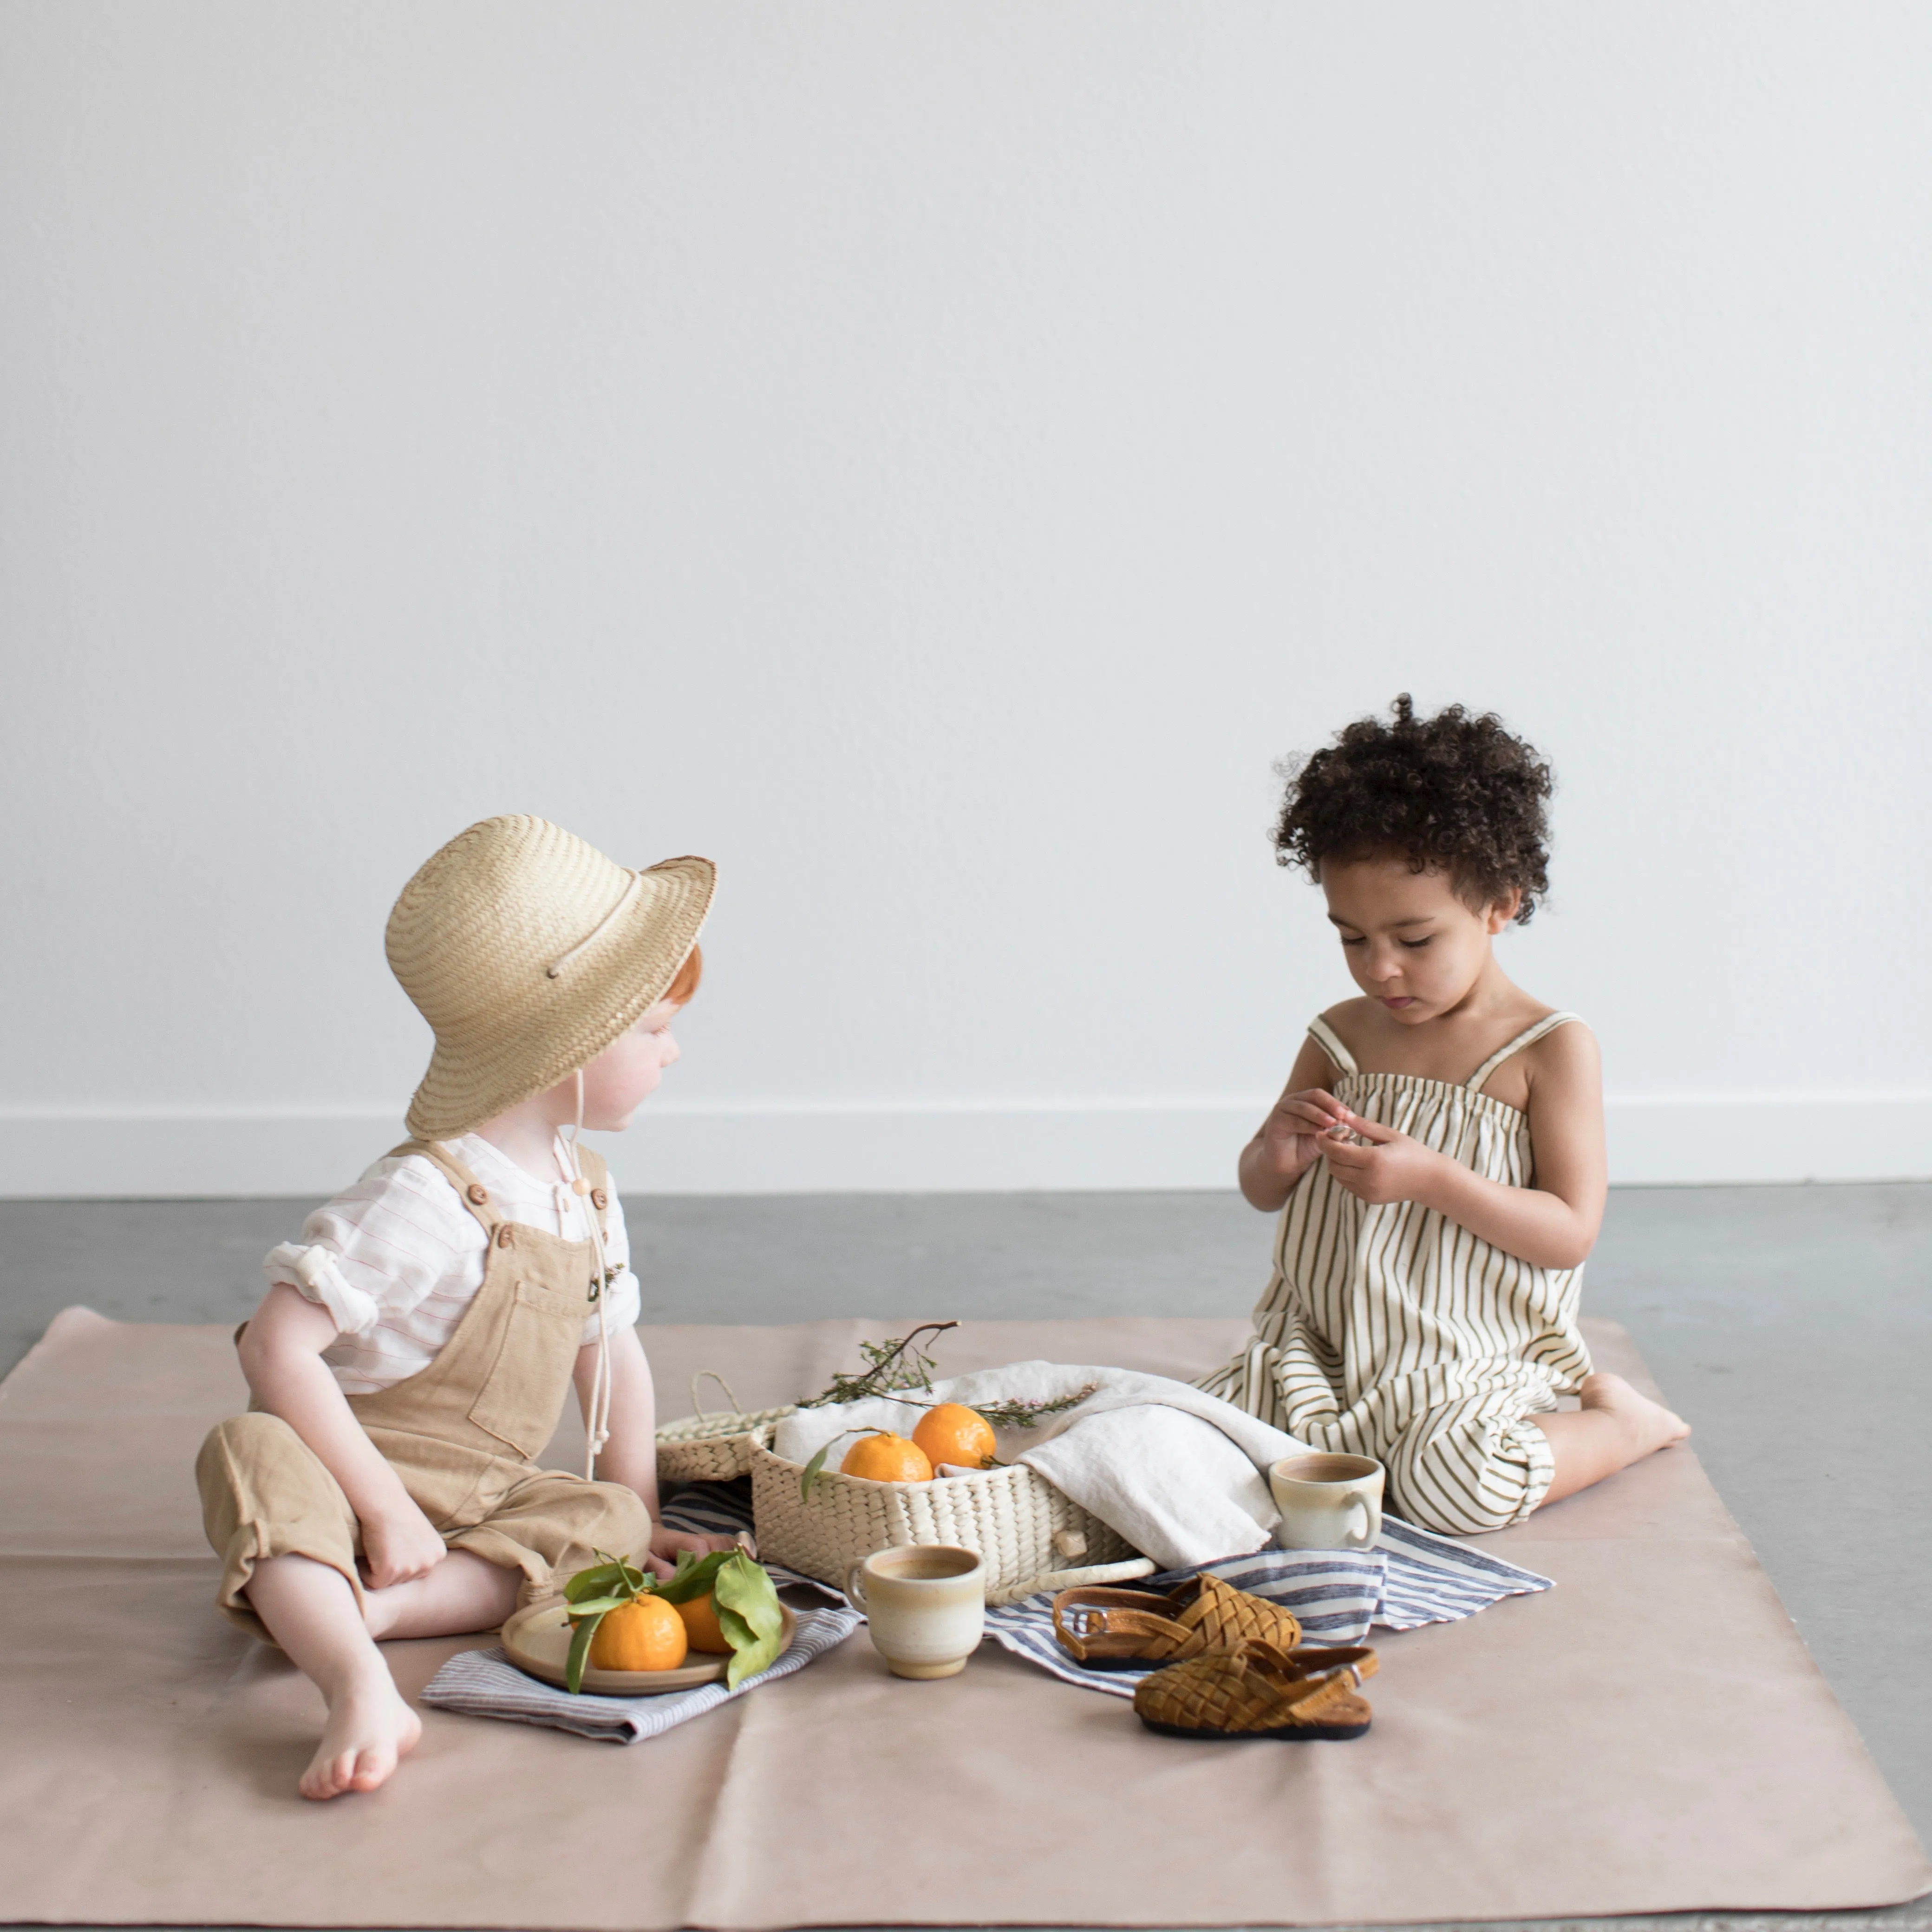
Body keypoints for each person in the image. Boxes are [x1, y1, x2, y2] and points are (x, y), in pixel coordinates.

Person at [196, 815, 734, 1801]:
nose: (674, 1053)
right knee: (248, 1454)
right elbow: (277, 1347)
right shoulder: (423, 1200)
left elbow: (610, 1349)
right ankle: (358, 1683)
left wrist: (643, 1518)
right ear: (569, 1044)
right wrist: (385, 1506)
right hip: (349, 1470)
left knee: (605, 1520)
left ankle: (373, 1612)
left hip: (482, 1488)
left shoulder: (585, 1189)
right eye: (654, 1029)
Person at [1198, 697, 1688, 1536]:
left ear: (1500, 903)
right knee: (1207, 1444)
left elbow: (1570, 1231)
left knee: (1449, 1487)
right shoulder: (1341, 1036)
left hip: (1465, 1357)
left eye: (1415, 940)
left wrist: (1433, 1179)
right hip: (1324, 1345)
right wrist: (1276, 1155)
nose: (1380, 968)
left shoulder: (1548, 1050)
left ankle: (1620, 1425)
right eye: (1352, 938)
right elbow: (1261, 1190)